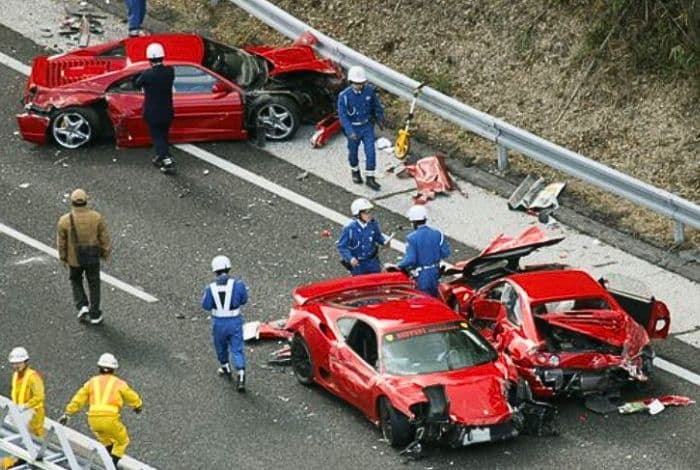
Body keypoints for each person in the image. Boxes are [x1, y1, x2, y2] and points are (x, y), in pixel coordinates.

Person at [59, 353, 142, 468]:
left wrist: (68, 414)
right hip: (110, 419)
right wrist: (137, 405)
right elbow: (131, 395)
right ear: (114, 369)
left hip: (93, 419)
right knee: (122, 440)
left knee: (107, 442)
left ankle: (109, 461)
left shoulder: (92, 382)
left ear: (99, 368)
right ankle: (112, 465)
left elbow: (78, 398)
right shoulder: (118, 383)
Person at [57, 189, 112, 325]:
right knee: (94, 283)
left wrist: (63, 257)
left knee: (75, 279)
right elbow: (104, 237)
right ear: (86, 201)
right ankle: (95, 314)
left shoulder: (64, 221)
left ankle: (82, 305)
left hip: (74, 259)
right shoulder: (96, 217)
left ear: (72, 202)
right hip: (92, 257)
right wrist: (105, 252)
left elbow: (61, 243)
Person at [201, 255, 249, 392]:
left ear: (214, 271)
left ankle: (225, 366)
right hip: (234, 321)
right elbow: (244, 300)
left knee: (220, 346)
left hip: (219, 322)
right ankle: (241, 374)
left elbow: (206, 305)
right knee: (237, 349)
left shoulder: (210, 288)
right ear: (228, 268)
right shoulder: (238, 284)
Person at [337, 65, 385, 191]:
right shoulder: (344, 96)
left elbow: (376, 106)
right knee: (353, 152)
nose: (359, 85)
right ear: (351, 82)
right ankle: (355, 171)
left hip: (367, 126)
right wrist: (349, 131)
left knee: (371, 152)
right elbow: (343, 116)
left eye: (361, 83)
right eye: (356, 83)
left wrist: (380, 118)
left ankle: (370, 177)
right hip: (353, 129)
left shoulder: (369, 91)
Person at [134, 42, 176, 175]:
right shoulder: (170, 71)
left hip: (153, 112)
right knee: (164, 135)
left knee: (157, 137)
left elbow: (137, 84)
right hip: (167, 111)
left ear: (149, 59)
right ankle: (161, 155)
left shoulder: (147, 75)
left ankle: (167, 161)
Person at [398, 205, 451, 297]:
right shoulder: (437, 233)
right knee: (435, 298)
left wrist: (399, 265)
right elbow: (445, 252)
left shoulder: (412, 238)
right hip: (435, 272)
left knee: (422, 300)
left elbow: (411, 259)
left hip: (422, 275)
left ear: (413, 222)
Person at [337, 198, 390, 275]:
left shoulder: (373, 224)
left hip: (372, 261)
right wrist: (350, 258)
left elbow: (377, 236)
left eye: (370, 211)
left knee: (377, 282)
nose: (369, 215)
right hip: (358, 264)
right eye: (366, 212)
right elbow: (342, 246)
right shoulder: (349, 228)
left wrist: (384, 242)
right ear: (358, 214)